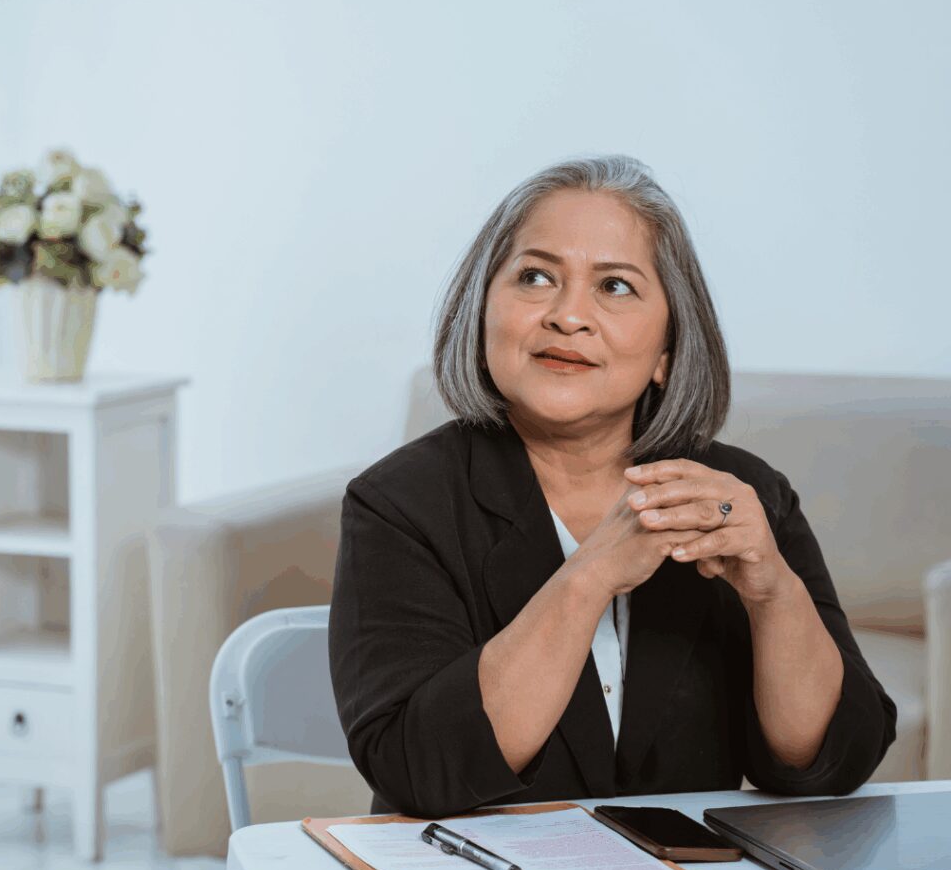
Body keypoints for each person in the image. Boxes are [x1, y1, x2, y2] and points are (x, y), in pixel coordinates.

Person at [328, 155, 896, 818]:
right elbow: (416, 772)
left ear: (667, 352)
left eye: (616, 286)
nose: (568, 316)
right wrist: (590, 576)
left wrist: (774, 594)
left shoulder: (742, 494)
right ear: (483, 311)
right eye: (535, 277)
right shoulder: (399, 504)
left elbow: (833, 767)